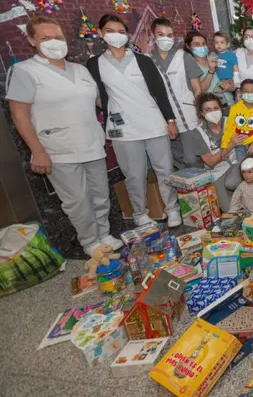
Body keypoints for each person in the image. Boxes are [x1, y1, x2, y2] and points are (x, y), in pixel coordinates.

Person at [6, 16, 123, 256]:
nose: (54, 42)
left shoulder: (80, 70)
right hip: (58, 148)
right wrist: (37, 151)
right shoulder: (24, 71)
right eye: (45, 38)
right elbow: (19, 116)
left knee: (100, 194)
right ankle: (90, 241)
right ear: (32, 41)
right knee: (77, 200)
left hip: (91, 142)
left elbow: (99, 101)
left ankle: (104, 234)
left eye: (58, 37)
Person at [86, 14, 181, 227]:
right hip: (123, 130)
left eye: (121, 32)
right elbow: (94, 95)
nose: (116, 35)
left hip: (153, 123)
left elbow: (160, 92)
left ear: (127, 35)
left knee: (165, 170)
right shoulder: (95, 64)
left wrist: (170, 120)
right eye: (110, 31)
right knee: (134, 174)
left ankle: (172, 209)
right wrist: (111, 108)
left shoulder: (142, 61)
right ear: (100, 33)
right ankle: (140, 213)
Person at [148, 17, 202, 169]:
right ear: (152, 35)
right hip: (161, 118)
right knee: (172, 159)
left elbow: (197, 89)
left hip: (188, 114)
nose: (165, 38)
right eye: (160, 34)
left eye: (169, 35)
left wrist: (200, 112)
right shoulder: (147, 60)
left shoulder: (183, 56)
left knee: (192, 158)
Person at [183, 93, 242, 210]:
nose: (213, 112)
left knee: (231, 182)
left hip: (237, 164)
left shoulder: (232, 121)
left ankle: (246, 193)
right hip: (217, 173)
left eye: (215, 108)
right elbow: (210, 162)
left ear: (221, 108)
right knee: (229, 210)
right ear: (201, 113)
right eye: (208, 110)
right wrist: (231, 145)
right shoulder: (197, 133)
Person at [221, 79, 253, 164]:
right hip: (239, 147)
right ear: (240, 92)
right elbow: (228, 129)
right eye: (246, 91)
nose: (250, 94)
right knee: (242, 169)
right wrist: (225, 146)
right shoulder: (234, 108)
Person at [186, 31, 233, 107]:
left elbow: (232, 81)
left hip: (231, 103)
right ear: (188, 46)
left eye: (203, 44)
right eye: (196, 44)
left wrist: (231, 87)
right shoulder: (192, 66)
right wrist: (211, 71)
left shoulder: (216, 58)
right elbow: (200, 91)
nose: (201, 47)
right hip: (213, 108)